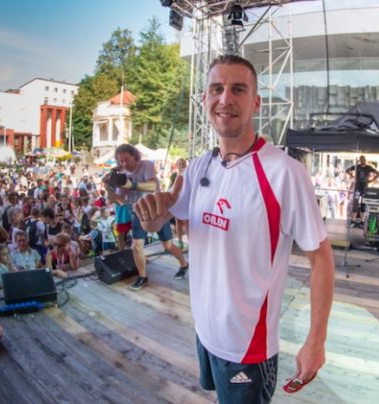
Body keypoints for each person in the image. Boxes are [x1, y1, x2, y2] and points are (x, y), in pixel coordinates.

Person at [134, 55, 334, 402]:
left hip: (248, 347)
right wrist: (151, 219)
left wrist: (316, 340)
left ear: (255, 102)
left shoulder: (285, 173)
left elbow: (322, 259)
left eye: (238, 89)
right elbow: (165, 216)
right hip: (205, 331)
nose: (225, 98)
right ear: (204, 100)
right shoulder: (199, 167)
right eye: (217, 89)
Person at [106, 144, 189, 290]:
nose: (124, 164)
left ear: (134, 156)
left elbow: (152, 186)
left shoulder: (145, 165)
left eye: (126, 159)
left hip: (157, 210)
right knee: (136, 246)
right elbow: (119, 200)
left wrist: (131, 185)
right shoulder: (122, 175)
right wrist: (108, 187)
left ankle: (184, 264)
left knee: (167, 245)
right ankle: (142, 276)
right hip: (138, 212)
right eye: (121, 161)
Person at [345, 155, 379, 227]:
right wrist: (353, 176)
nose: (362, 161)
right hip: (357, 187)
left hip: (364, 188)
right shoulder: (357, 166)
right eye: (361, 159)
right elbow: (347, 170)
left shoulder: (368, 167)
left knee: (363, 204)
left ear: (365, 160)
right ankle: (353, 220)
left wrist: (371, 180)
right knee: (355, 204)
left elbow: (378, 173)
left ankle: (362, 221)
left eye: (363, 159)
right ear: (360, 160)